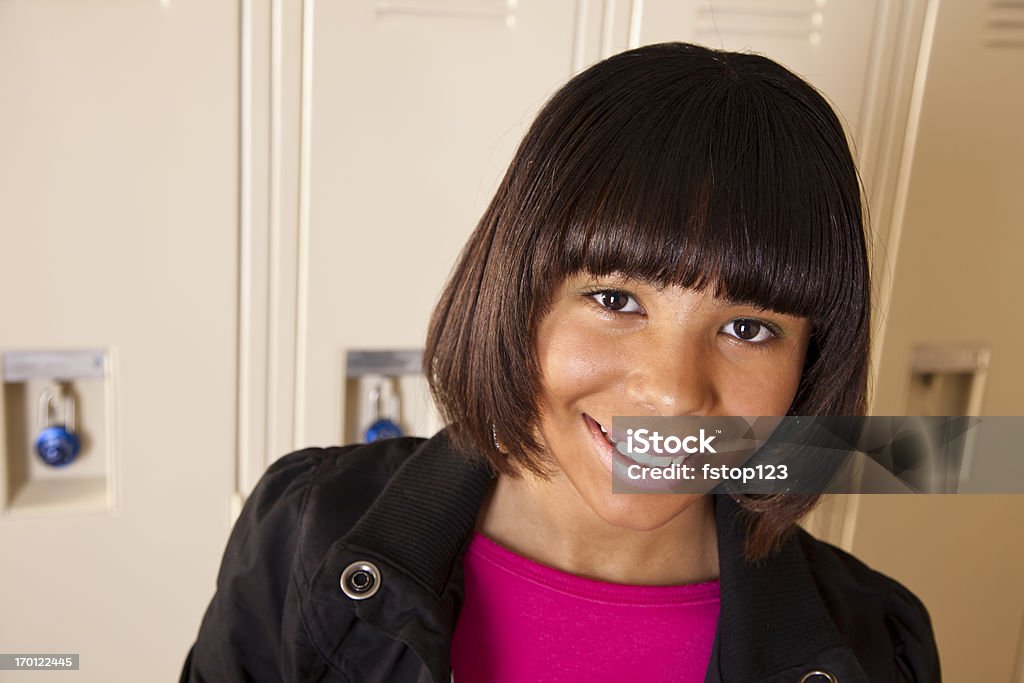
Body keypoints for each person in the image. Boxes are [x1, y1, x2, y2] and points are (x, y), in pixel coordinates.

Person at [180, 42, 940, 682]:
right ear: (516, 295)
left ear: (813, 361)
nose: (672, 391)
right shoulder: (305, 533)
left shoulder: (879, 644)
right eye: (615, 301)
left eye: (747, 326)